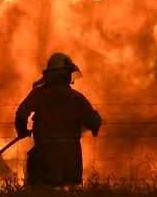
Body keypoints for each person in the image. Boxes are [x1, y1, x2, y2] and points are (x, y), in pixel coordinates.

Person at [14, 52, 103, 187]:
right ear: (65, 75)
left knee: (41, 196)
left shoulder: (38, 94)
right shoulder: (76, 98)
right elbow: (94, 121)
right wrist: (95, 123)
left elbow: (21, 114)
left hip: (44, 158)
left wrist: (22, 131)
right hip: (69, 161)